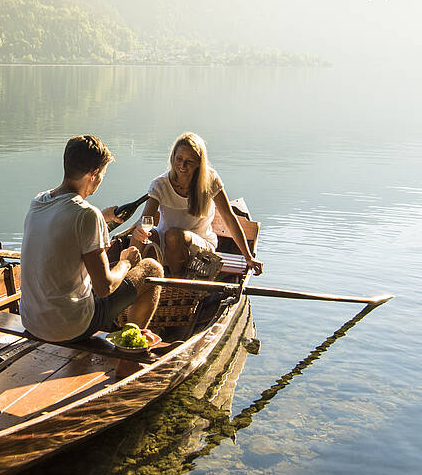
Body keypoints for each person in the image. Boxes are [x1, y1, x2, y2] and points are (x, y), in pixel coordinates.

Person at [20, 135, 163, 343]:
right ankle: (129, 351)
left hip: (32, 321)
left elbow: (64, 228)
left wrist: (104, 217)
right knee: (151, 269)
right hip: (70, 327)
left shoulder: (39, 202)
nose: (101, 180)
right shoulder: (87, 215)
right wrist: (126, 262)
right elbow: (104, 288)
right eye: (103, 174)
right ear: (93, 174)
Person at [136, 132, 263, 280]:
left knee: (174, 236)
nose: (182, 166)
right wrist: (140, 230)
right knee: (137, 238)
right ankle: (127, 283)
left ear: (198, 162)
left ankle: (177, 283)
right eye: (179, 159)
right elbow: (145, 219)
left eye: (189, 161)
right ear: (173, 158)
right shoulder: (160, 184)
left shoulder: (210, 180)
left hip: (199, 247)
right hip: (166, 244)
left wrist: (248, 256)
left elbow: (229, 218)